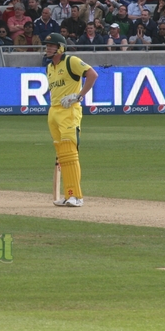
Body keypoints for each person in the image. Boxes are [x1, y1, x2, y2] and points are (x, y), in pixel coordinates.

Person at [43, 32, 98, 207]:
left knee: (70, 153)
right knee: (62, 155)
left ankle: (76, 196)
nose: (48, 48)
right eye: (47, 46)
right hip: (53, 112)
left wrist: (78, 96)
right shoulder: (49, 67)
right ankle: (68, 195)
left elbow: (92, 75)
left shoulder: (71, 61)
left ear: (60, 47)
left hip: (69, 111)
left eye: (51, 46)